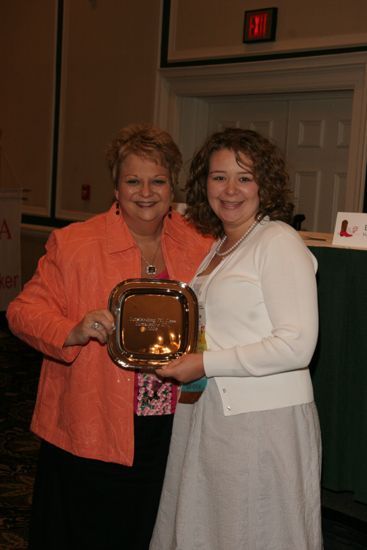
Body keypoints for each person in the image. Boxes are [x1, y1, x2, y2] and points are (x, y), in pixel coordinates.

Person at [6, 123, 213, 550]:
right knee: (87, 531)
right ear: (116, 187)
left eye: (157, 180)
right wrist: (72, 329)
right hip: (92, 415)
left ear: (172, 185)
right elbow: (23, 311)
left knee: (150, 527)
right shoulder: (75, 244)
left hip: (172, 421)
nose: (146, 192)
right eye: (133, 180)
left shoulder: (198, 244)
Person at [150, 128, 323, 550]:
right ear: (203, 183)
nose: (230, 190)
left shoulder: (277, 241)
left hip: (261, 421)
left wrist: (204, 364)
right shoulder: (223, 245)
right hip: (212, 410)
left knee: (256, 529)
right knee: (216, 529)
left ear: (265, 183)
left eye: (244, 178)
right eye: (218, 176)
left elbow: (297, 344)